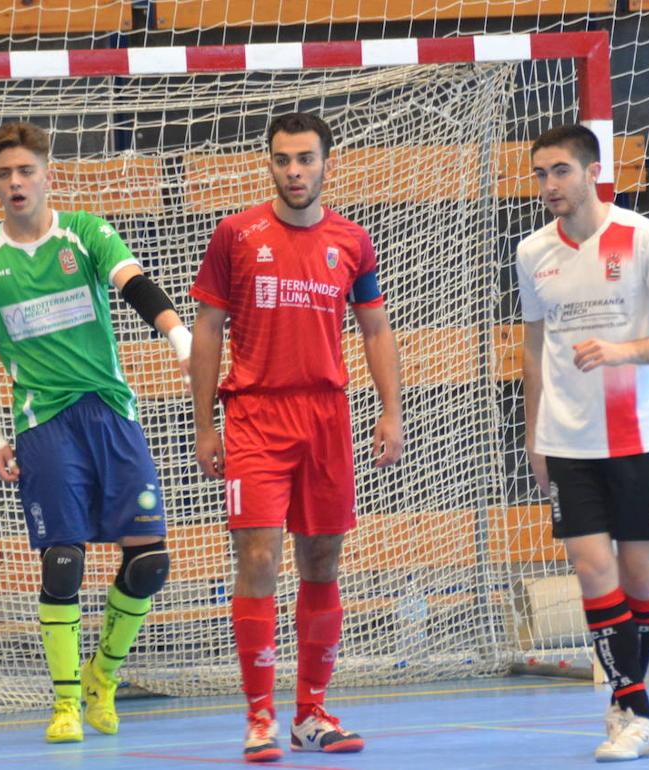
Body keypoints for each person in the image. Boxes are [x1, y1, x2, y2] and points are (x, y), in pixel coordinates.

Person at [0, 121, 191, 744]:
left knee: (152, 561)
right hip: (42, 423)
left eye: (26, 170)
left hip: (110, 413)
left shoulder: (84, 233)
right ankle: (67, 704)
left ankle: (103, 676)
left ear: (49, 174)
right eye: (4, 173)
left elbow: (133, 284)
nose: (16, 182)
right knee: (62, 562)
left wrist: (180, 338)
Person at [189, 112, 403, 763]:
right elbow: (206, 329)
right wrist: (203, 423)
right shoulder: (235, 235)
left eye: (305, 159)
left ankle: (312, 713)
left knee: (322, 563)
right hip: (255, 415)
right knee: (257, 559)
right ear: (269, 163)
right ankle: (260, 718)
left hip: (327, 420)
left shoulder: (353, 242)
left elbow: (374, 330)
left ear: (326, 162)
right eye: (283, 159)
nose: (294, 171)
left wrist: (391, 411)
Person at [517, 124, 649, 761]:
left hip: (636, 436)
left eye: (560, 171)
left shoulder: (645, 237)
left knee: (639, 577)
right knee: (592, 571)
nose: (548, 185)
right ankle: (640, 712)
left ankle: (625, 704)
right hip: (568, 443)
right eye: (539, 173)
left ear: (592, 171)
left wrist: (623, 350)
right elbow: (534, 351)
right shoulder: (531, 251)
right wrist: (533, 435)